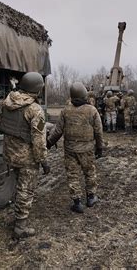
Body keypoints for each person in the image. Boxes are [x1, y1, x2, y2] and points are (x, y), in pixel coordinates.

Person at [0, 72, 49, 238]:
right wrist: (43, 160)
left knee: (18, 186)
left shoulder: (7, 102)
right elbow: (39, 140)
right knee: (26, 190)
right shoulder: (35, 110)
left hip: (10, 153)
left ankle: (17, 217)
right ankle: (20, 227)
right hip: (26, 158)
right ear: (37, 90)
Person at [47, 82, 104, 213]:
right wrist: (99, 148)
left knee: (72, 175)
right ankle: (91, 197)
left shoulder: (65, 110)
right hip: (87, 149)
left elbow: (57, 131)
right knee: (89, 172)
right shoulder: (92, 110)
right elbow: (98, 131)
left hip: (70, 150)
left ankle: (77, 202)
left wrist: (49, 143)